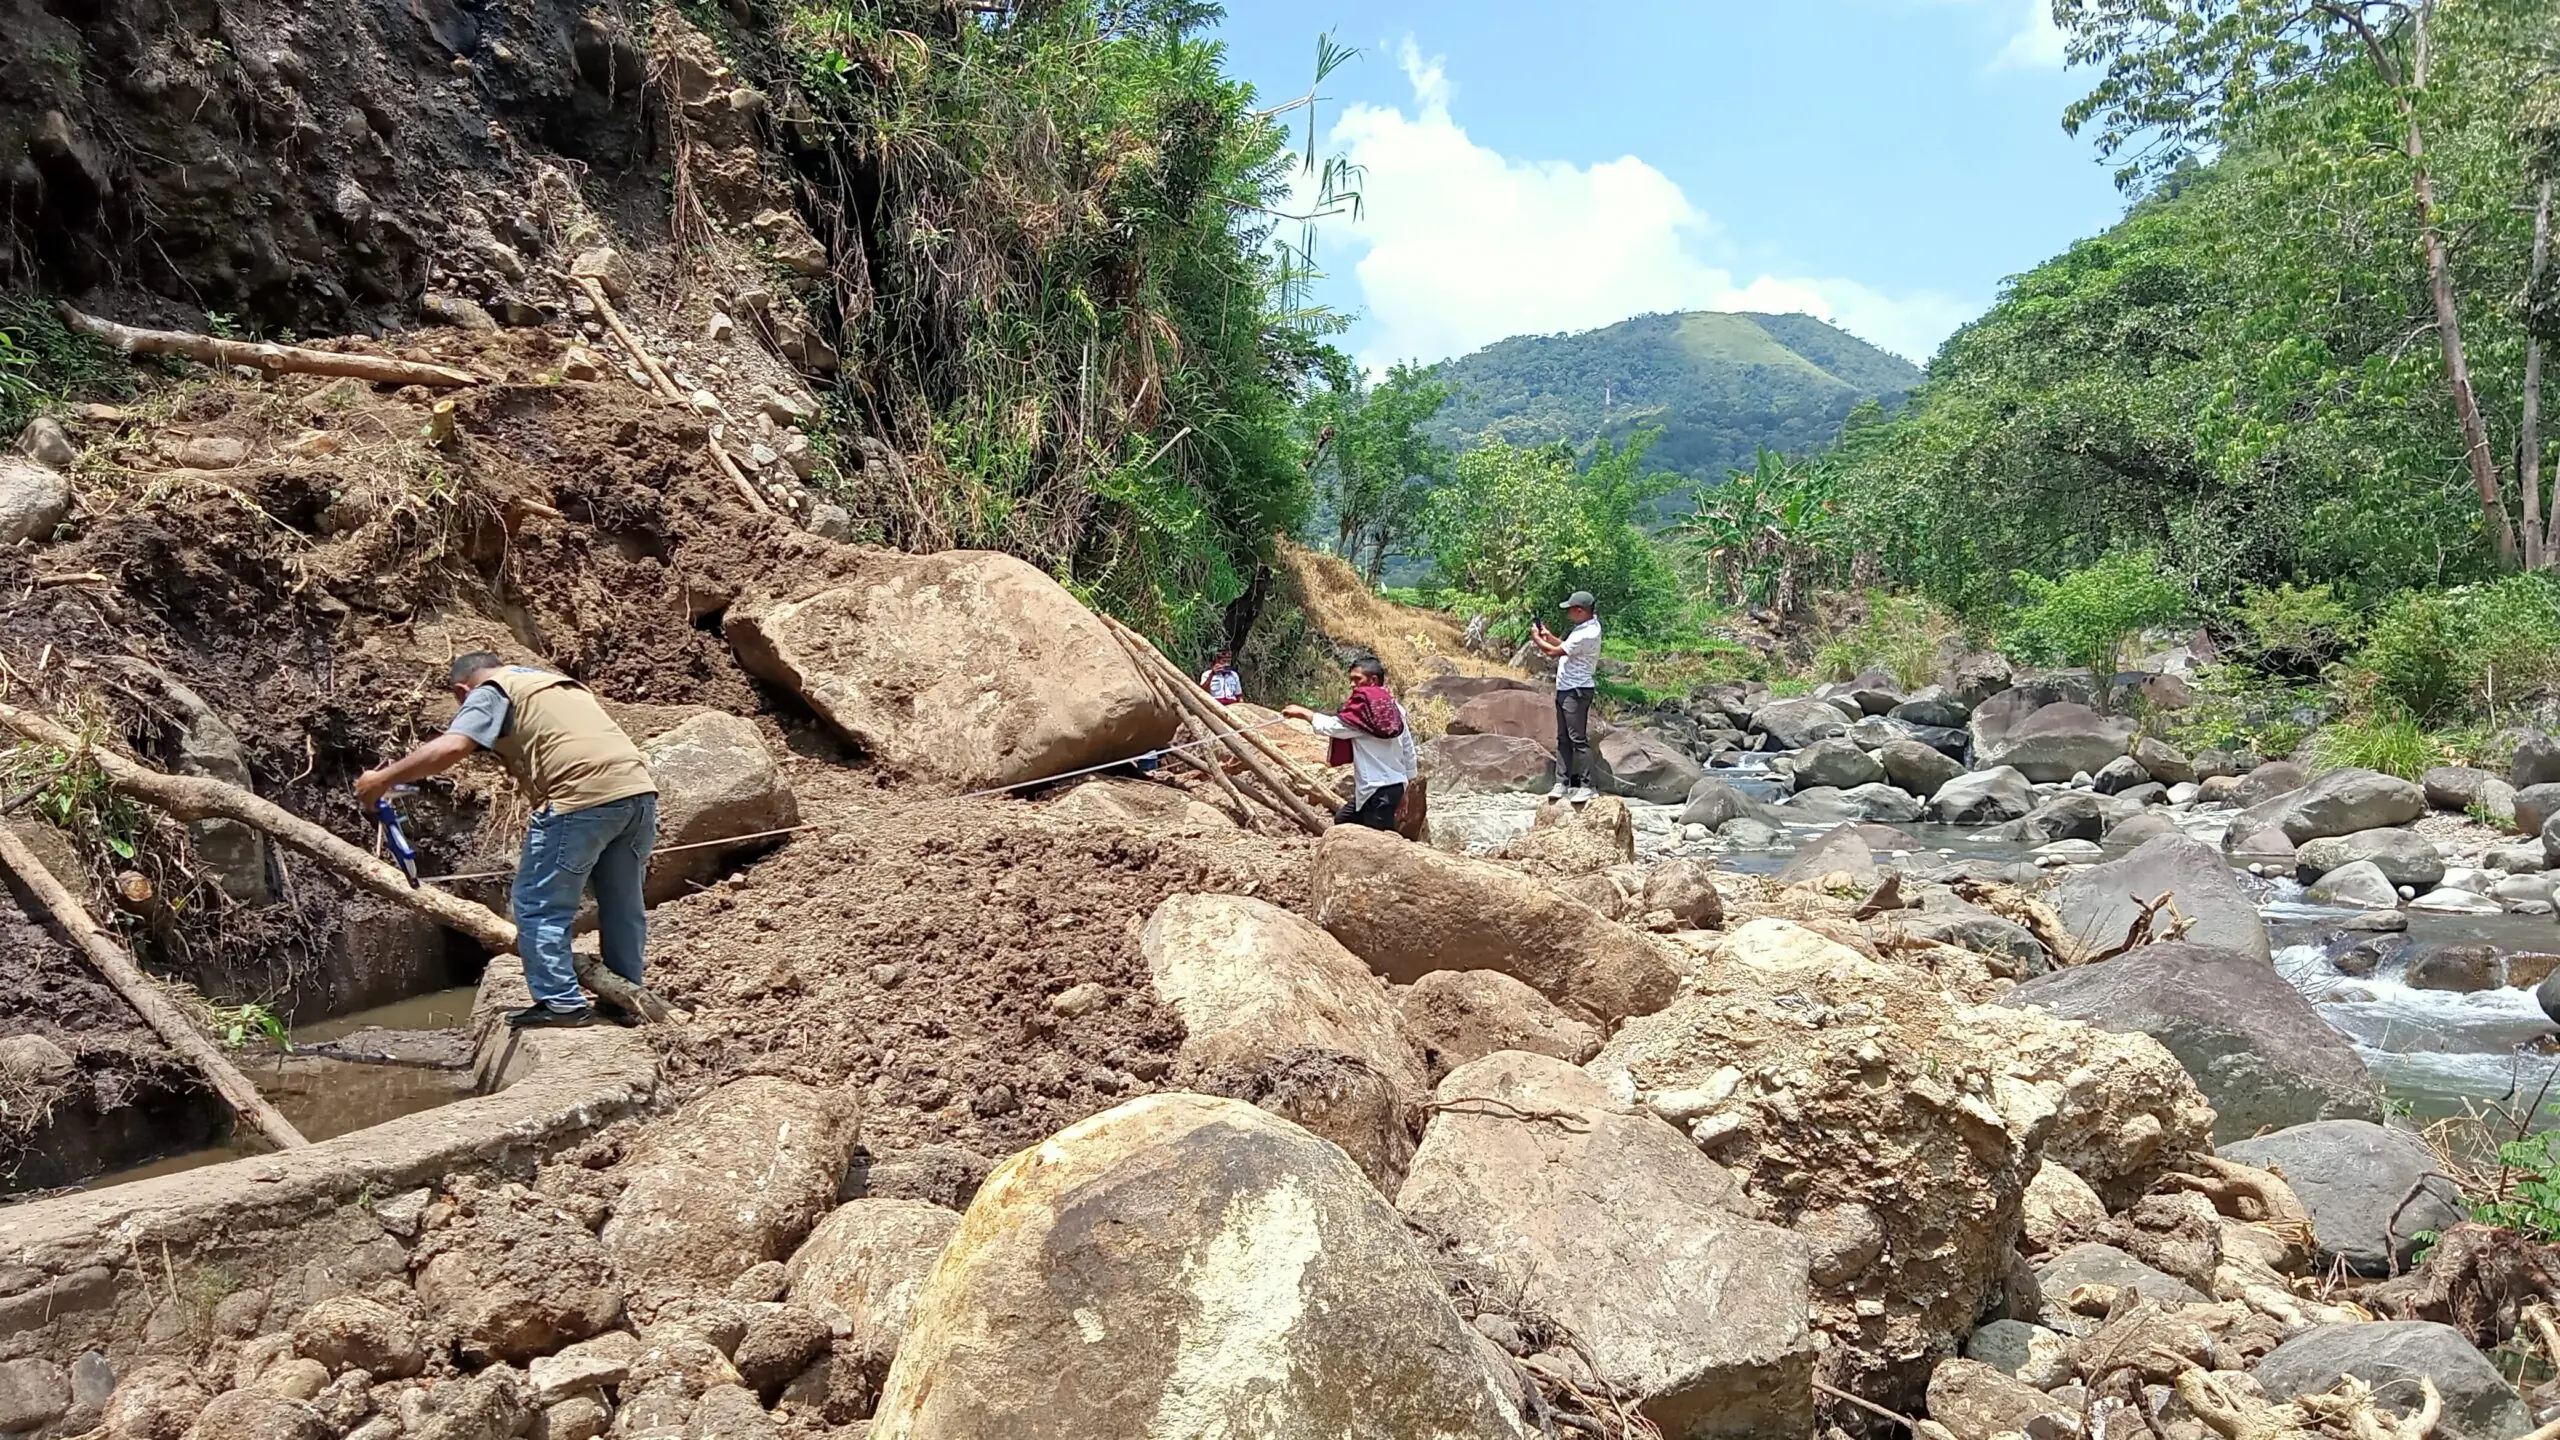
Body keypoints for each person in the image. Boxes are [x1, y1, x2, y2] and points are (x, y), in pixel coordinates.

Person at [356, 652, 659, 1029]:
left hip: (580, 798)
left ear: (461, 690)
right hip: (638, 794)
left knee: (537, 903)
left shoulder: (490, 690)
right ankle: (624, 1000)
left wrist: (381, 779)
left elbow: (452, 747)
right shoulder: (552, 684)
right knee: (622, 903)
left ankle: (561, 1004)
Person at [1282, 655, 1418, 832]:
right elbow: (1408, 749)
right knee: (1343, 819)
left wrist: (1304, 713)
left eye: (1357, 679)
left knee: (1375, 839)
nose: (1352, 685)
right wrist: (1410, 783)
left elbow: (1332, 727)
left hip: (1377, 791)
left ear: (1373, 680)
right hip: (1389, 788)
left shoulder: (1364, 712)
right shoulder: (1397, 710)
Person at [1531, 590, 1603, 804]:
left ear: (1581, 611)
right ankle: (1561, 783)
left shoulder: (1587, 633)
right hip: (1566, 689)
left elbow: (1553, 653)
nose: (1569, 613)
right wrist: (1548, 635)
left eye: (1571, 609)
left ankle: (1587, 786)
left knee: (1577, 739)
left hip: (1576, 691)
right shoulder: (1583, 628)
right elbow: (1562, 646)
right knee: (1563, 738)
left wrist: (1536, 638)